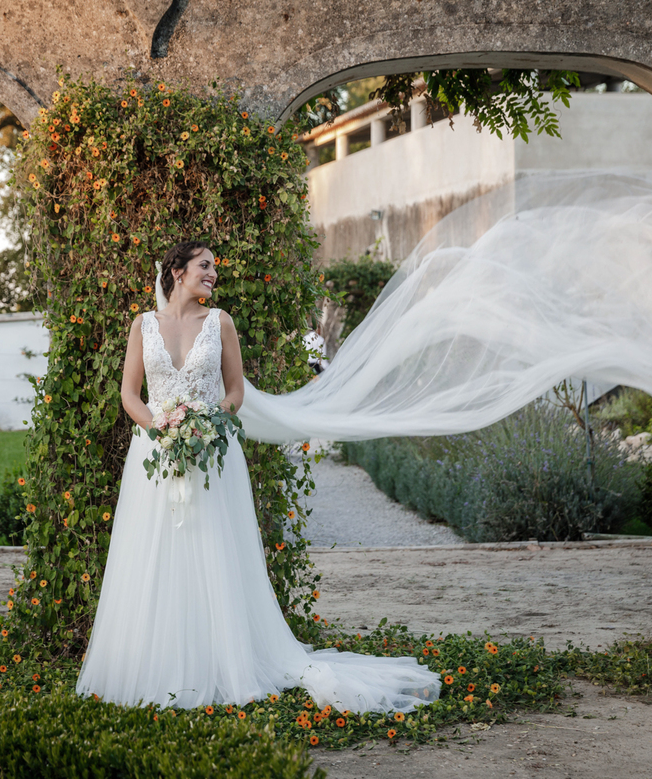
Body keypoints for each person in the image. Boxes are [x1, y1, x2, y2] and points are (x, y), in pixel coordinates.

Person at [74, 240, 441, 712]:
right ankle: (156, 663)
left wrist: (207, 425)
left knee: (213, 552)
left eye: (214, 268)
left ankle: (223, 661)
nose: (213, 274)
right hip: (156, 455)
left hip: (212, 454)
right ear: (178, 271)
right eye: (205, 266)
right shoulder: (142, 325)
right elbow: (130, 394)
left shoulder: (220, 322)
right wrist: (161, 430)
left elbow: (235, 391)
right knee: (155, 553)